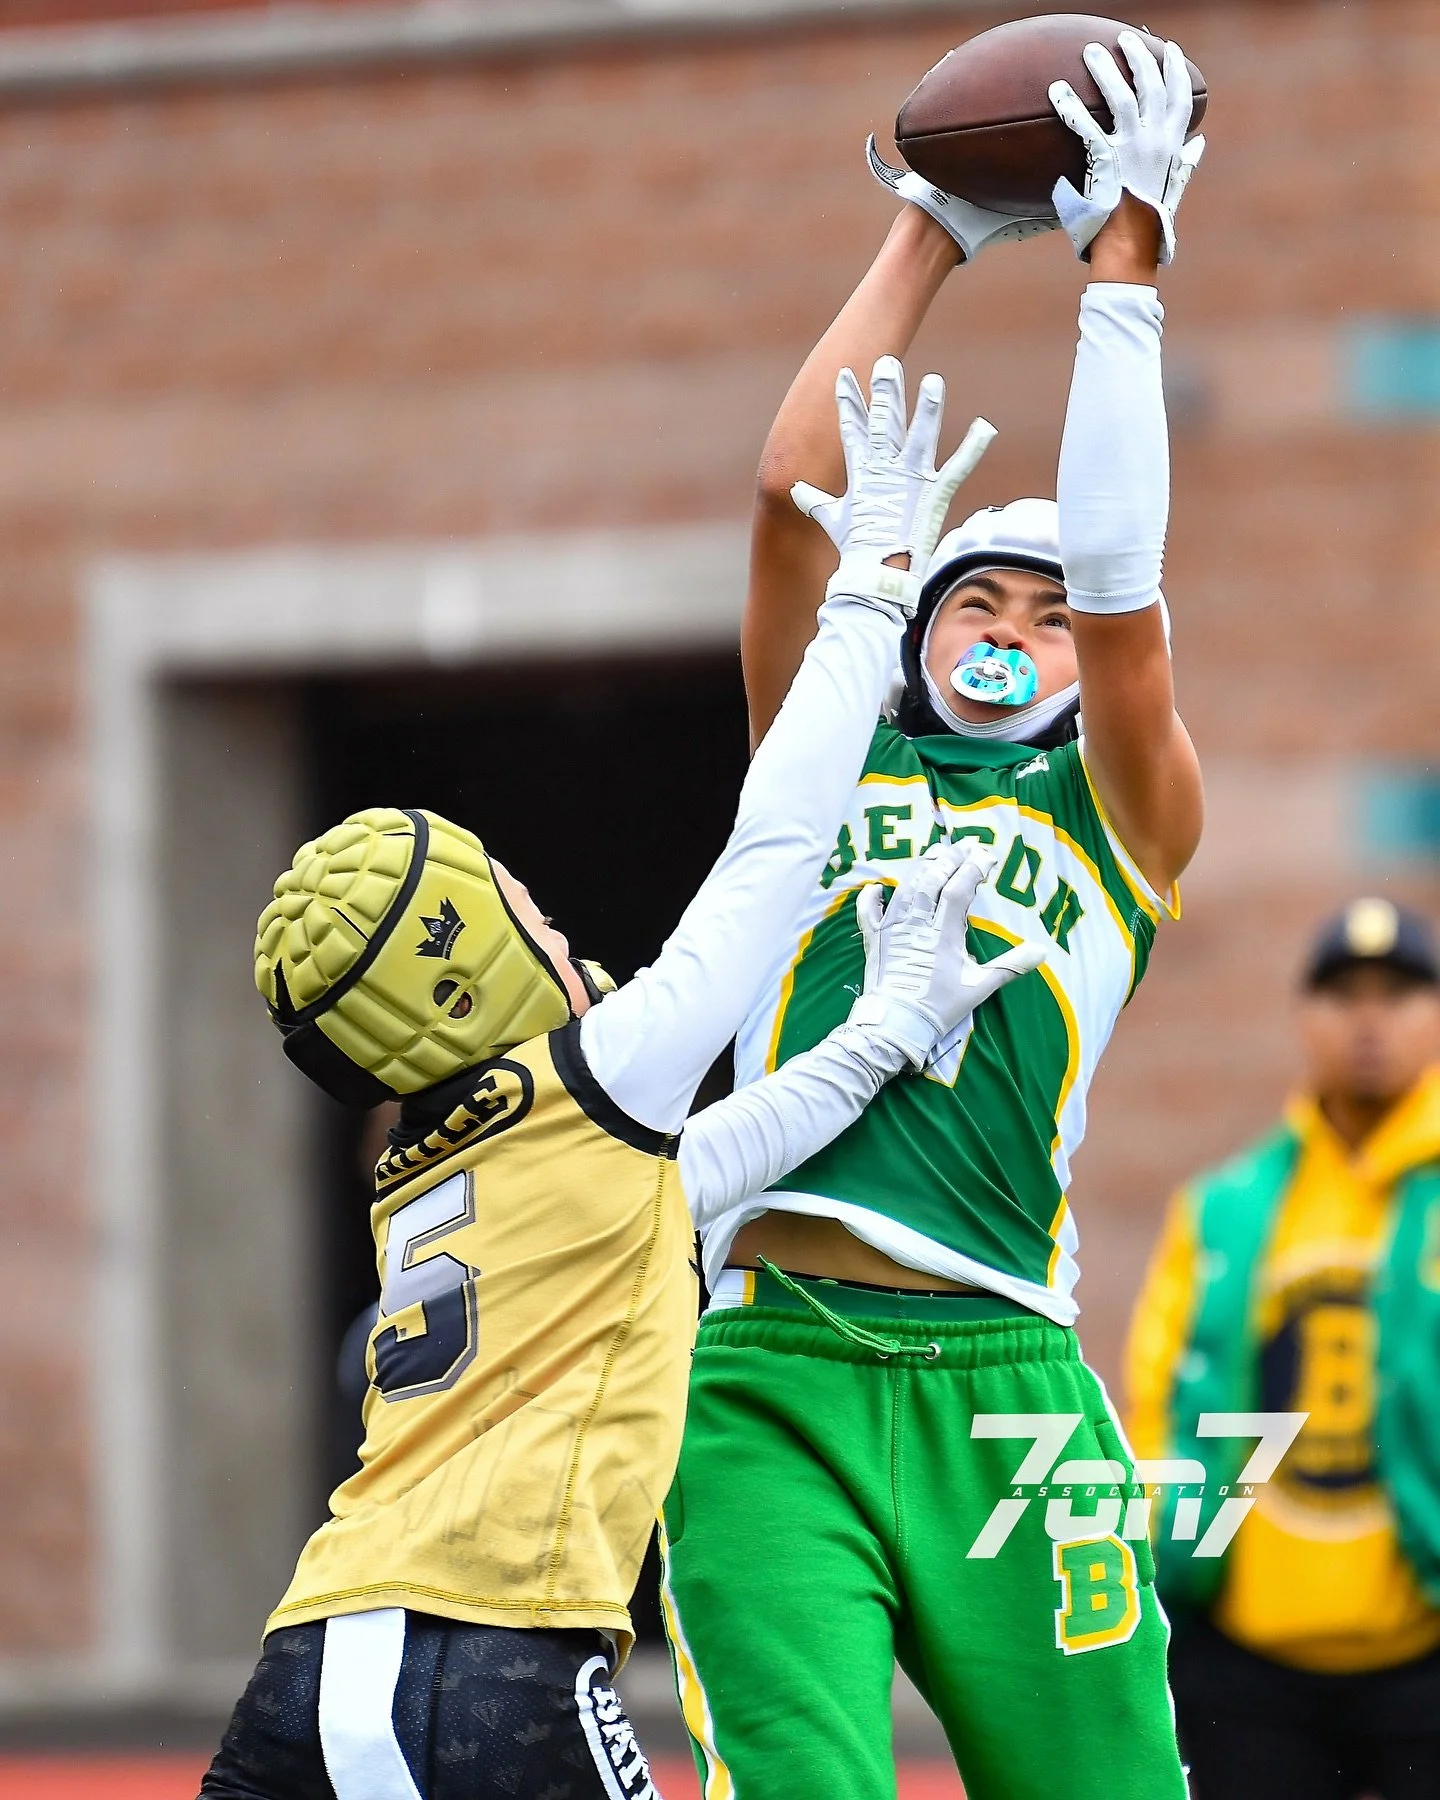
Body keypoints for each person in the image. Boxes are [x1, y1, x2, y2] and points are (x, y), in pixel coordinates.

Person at [197, 361, 1042, 1800]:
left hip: (308, 1653)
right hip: (503, 1661)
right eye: (511, 890)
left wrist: (885, 1030)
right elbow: (776, 848)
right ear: (464, 977)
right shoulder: (590, 1086)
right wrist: (873, 588)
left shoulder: (442, 1169)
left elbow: (721, 1160)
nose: (548, 908)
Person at [659, 35, 1205, 1800]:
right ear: (917, 621)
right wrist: (927, 228)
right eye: (979, 588)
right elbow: (787, 503)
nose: (1017, 625)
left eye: (1046, 616)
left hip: (1009, 1385)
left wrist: (1122, 277)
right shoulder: (821, 759)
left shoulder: (1125, 811)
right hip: (770, 1370)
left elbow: (1129, 596)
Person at [1126, 897, 1440, 1799]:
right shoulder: (1226, 1210)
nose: (1370, 1018)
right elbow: (1155, 1409)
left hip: (1425, 1651)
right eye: (1344, 995)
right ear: (1305, 1017)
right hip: (1248, 1667)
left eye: (1398, 992)